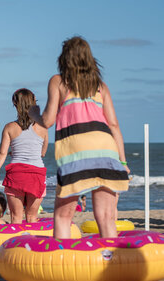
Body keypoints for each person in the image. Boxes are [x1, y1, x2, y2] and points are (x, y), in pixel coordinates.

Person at [29, 36, 130, 239]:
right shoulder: (100, 86)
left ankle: (62, 265)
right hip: (106, 151)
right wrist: (123, 161)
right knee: (106, 217)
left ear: (64, 58)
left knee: (63, 215)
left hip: (76, 153)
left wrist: (34, 114)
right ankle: (110, 262)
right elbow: (114, 125)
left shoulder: (58, 81)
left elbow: (48, 120)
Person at [0, 88, 48, 224]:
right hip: (36, 174)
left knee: (16, 218)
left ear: (15, 104)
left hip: (17, 174)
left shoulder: (9, 127)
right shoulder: (43, 126)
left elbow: (2, 153)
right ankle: (31, 245)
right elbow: (42, 153)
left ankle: (17, 245)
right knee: (32, 218)